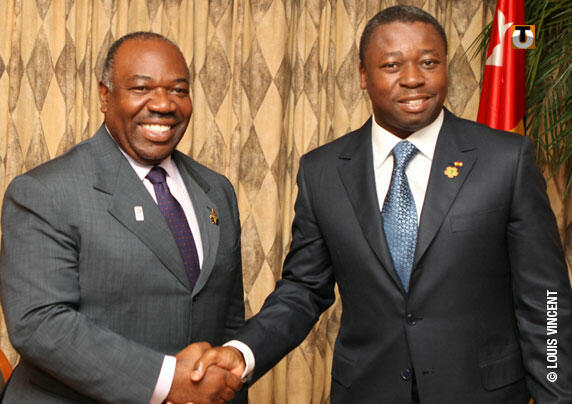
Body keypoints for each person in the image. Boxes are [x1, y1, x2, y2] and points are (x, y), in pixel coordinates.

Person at [192, 6, 572, 404]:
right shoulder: (322, 171)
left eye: (429, 62)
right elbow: (303, 289)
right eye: (392, 65)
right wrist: (243, 353)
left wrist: (557, 395)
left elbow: (545, 299)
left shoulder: (505, 159)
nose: (413, 78)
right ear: (363, 75)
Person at [0, 32, 246, 404]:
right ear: (105, 96)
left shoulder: (216, 191)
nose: (163, 104)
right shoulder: (45, 191)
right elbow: (40, 324)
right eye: (141, 88)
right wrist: (167, 381)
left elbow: (228, 320)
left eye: (178, 90)